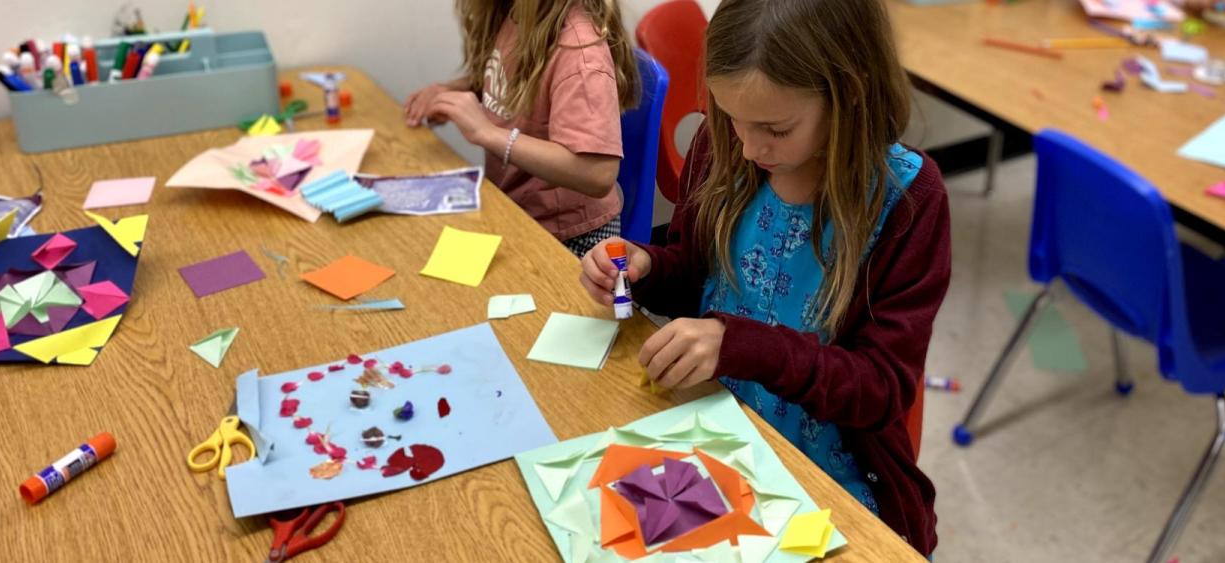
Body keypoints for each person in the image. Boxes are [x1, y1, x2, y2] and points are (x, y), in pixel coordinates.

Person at [578, 0, 951, 555]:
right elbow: (697, 275)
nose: (750, 147)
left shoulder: (906, 201)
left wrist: (740, 345)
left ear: (849, 93)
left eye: (775, 128)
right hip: (710, 425)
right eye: (731, 116)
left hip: (826, 468)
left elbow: (881, 387)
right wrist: (649, 266)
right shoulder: (725, 146)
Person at [405, 0, 638, 256]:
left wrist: (488, 133)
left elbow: (597, 173)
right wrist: (455, 91)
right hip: (517, 211)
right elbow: (519, 81)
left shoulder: (580, 52)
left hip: (572, 237)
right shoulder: (516, 12)